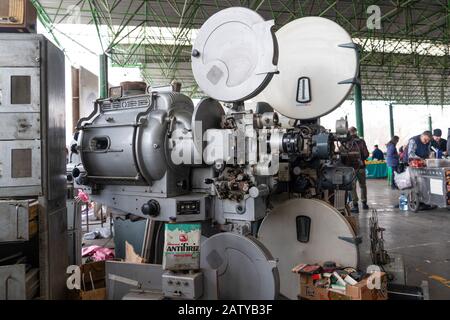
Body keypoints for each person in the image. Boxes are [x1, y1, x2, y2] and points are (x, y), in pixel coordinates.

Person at [343, 127, 370, 213]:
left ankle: (355, 206)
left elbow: (342, 155)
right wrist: (361, 159)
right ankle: (364, 203)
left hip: (350, 169)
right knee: (363, 185)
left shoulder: (346, 142)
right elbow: (366, 154)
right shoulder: (361, 141)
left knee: (352, 187)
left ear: (349, 132)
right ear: (356, 132)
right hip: (361, 167)